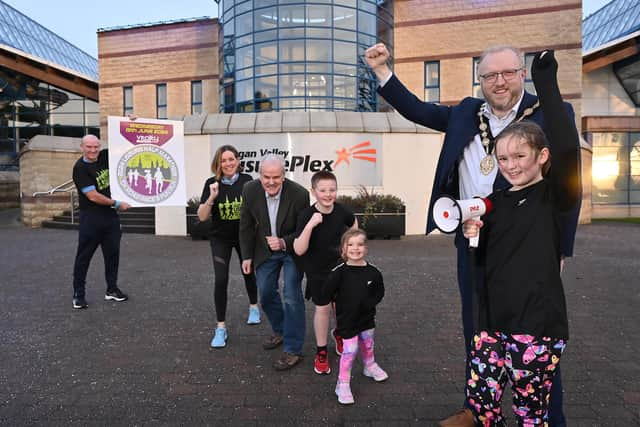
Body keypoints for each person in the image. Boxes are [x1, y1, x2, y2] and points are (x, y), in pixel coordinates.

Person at [365, 43, 580, 426]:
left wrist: (561, 249)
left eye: (507, 73)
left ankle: (550, 416)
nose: (499, 82)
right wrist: (383, 71)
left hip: (528, 243)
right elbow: (418, 109)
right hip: (473, 236)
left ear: (521, 74)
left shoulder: (550, 112)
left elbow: (569, 180)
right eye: (489, 75)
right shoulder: (467, 113)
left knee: (534, 337)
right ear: (480, 80)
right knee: (478, 329)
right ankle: (478, 409)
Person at [460, 50, 581, 426]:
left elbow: (567, 148)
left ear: (542, 156)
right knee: (482, 407)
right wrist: (473, 234)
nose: (511, 166)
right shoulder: (495, 201)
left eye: (519, 157)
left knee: (531, 415)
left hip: (536, 331)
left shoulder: (555, 196)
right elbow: (485, 263)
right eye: (503, 159)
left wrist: (546, 85)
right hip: (490, 327)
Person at [239, 154, 309, 370]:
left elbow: (302, 230)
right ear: (260, 176)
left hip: (290, 250)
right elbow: (246, 224)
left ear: (284, 176)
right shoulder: (250, 190)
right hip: (264, 250)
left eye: (276, 177)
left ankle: (293, 349)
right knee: (266, 293)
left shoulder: (299, 194)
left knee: (291, 295)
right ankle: (280, 329)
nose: (271, 182)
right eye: (267, 177)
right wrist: (247, 255)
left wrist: (282, 242)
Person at [293, 171, 357, 375]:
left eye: (332, 190)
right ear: (314, 192)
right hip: (318, 272)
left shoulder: (342, 211)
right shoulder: (306, 215)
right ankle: (321, 352)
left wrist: (350, 245)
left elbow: (353, 223)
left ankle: (338, 333)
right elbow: (298, 249)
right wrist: (311, 225)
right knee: (323, 309)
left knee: (341, 307)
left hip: (340, 269)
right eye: (323, 190)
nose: (328, 194)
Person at [197, 145, 260, 349]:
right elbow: (202, 216)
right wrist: (211, 197)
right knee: (221, 279)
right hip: (220, 239)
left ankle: (253, 306)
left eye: (231, 159)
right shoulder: (211, 183)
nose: (228, 163)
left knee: (248, 272)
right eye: (223, 160)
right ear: (218, 163)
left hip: (244, 237)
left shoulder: (247, 180)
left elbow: (257, 210)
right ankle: (221, 328)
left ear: (238, 161)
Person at [323, 228, 387, 405]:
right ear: (343, 249)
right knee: (350, 351)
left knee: (367, 343)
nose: (355, 248)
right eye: (350, 244)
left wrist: (368, 303)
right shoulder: (339, 272)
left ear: (366, 248)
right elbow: (326, 292)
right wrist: (337, 303)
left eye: (360, 244)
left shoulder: (373, 272)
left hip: (367, 320)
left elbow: (379, 292)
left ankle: (370, 365)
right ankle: (342, 384)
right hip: (347, 321)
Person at [71, 134, 131, 309]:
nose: (93, 150)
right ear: (82, 147)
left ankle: (111, 289)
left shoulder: (104, 156)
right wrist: (117, 203)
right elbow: (93, 196)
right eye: (89, 147)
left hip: (110, 218)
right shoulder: (80, 168)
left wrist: (130, 122)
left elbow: (127, 146)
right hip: (91, 217)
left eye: (96, 146)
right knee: (84, 257)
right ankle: (78, 294)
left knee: (113, 255)